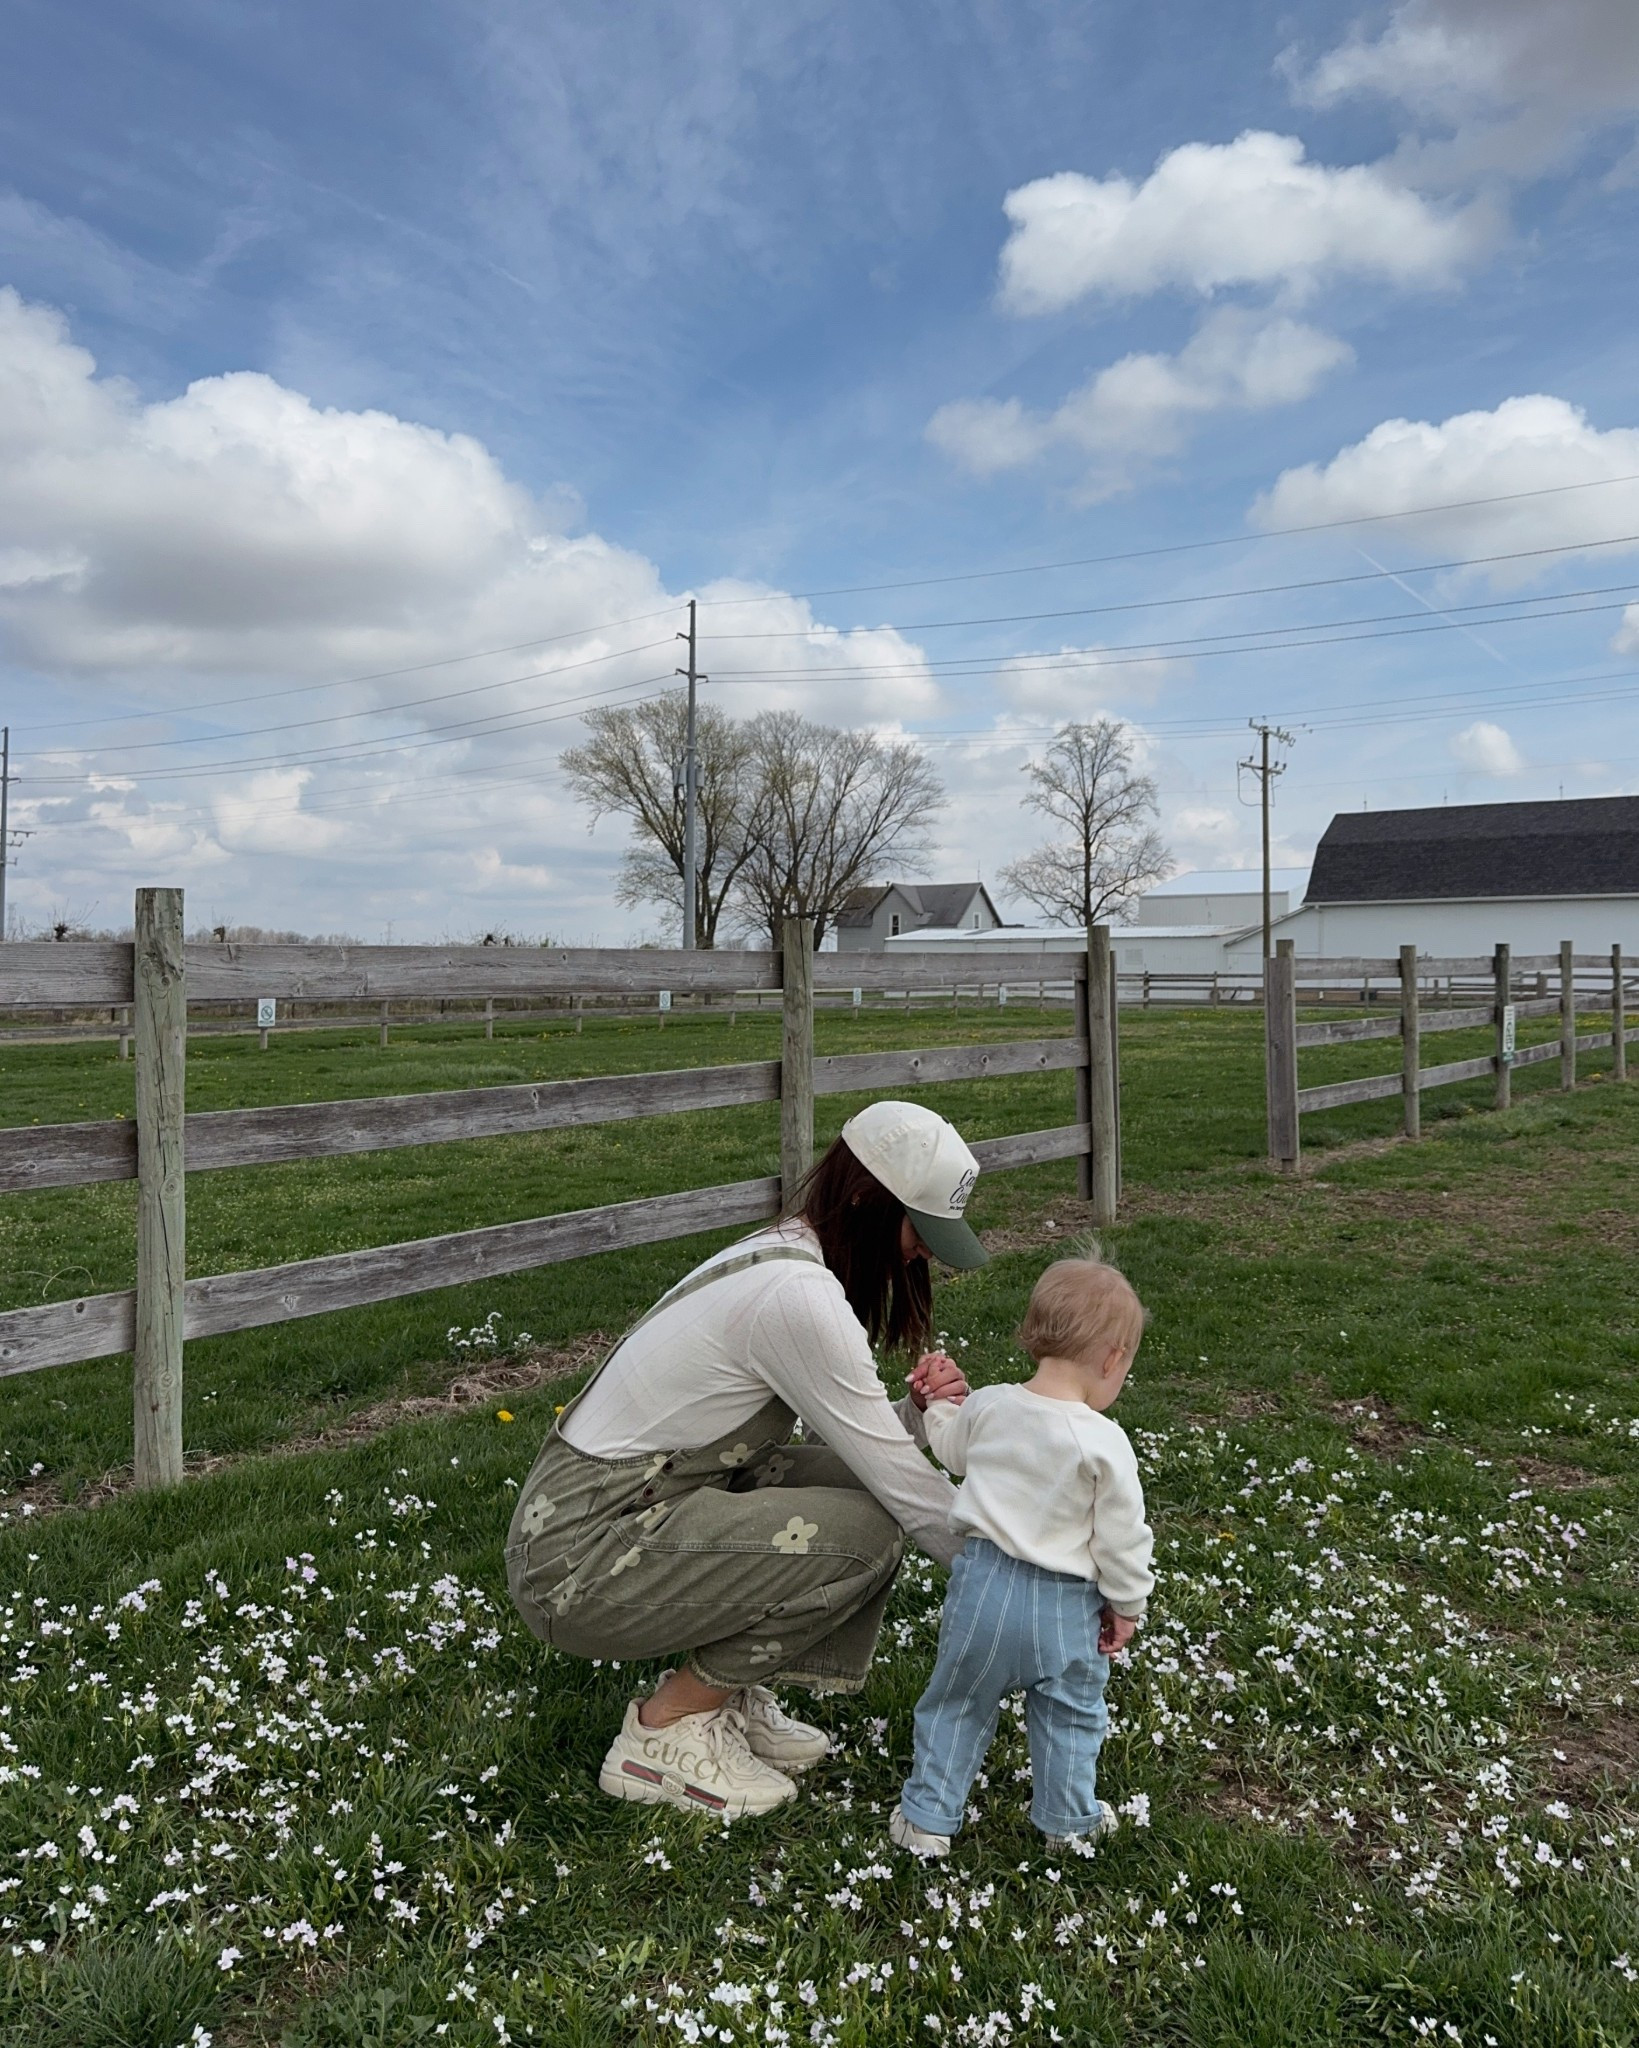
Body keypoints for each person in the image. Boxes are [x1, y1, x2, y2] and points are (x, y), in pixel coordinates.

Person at [506, 1099, 989, 1821]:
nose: (924, 1252)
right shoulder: (796, 1296)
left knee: (849, 1497)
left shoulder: (787, 1253)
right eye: (921, 1229)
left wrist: (914, 1420)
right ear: (866, 1201)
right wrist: (1021, 1576)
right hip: (573, 1562)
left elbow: (862, 1451)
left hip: (628, 1511)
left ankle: (725, 1691)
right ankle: (665, 1731)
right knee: (865, 1537)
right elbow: (908, 1496)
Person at [890, 1254, 1154, 1859]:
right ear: (1113, 1360)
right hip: (1065, 1610)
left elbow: (952, 1451)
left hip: (983, 1591)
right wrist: (1126, 1603)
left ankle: (928, 1821)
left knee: (957, 1703)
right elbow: (1122, 1538)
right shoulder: (1105, 1443)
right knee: (1071, 1714)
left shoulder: (992, 1406)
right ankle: (1066, 1822)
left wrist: (937, 1405)